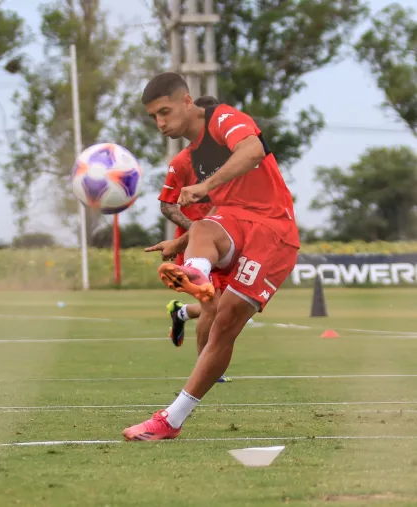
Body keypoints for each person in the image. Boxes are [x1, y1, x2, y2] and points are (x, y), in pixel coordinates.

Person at [123, 72, 299, 441]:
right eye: (154, 116)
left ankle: (173, 417)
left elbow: (252, 151)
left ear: (187, 102)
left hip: (274, 230)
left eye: (165, 112)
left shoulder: (222, 118)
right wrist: (179, 242)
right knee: (202, 230)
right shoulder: (187, 157)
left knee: (225, 324)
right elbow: (178, 206)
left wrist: (204, 186)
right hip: (233, 221)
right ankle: (197, 274)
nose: (160, 123)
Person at [158, 95, 219, 348]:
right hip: (195, 246)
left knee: (225, 305)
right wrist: (196, 230)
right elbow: (166, 205)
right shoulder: (182, 161)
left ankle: (180, 313)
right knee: (212, 306)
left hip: (226, 239)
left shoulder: (230, 157)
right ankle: (205, 372)